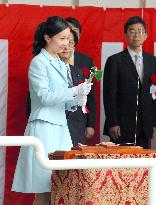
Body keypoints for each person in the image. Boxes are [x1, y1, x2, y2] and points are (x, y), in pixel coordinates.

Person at [12, 16, 92, 205]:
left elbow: (63, 103)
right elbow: (45, 97)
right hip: (44, 128)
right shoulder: (39, 62)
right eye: (62, 38)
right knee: (43, 188)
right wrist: (74, 91)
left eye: (68, 39)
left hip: (61, 128)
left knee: (58, 186)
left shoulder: (61, 63)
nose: (66, 43)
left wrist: (77, 99)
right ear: (48, 38)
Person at [103, 16, 156, 148]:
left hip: (145, 125)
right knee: (121, 165)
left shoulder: (153, 61)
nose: (136, 35)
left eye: (140, 31)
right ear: (126, 35)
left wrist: (153, 122)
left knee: (142, 165)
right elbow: (109, 95)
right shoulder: (114, 61)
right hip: (121, 126)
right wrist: (113, 122)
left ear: (146, 36)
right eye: (132, 31)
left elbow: (154, 94)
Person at [65, 17, 96, 141]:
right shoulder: (51, 58)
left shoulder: (88, 61)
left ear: (79, 35)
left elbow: (91, 95)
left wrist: (90, 124)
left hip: (79, 121)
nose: (71, 33)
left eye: (75, 30)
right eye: (68, 29)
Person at [59, 28, 87, 146]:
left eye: (70, 43)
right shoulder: (45, 68)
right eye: (63, 42)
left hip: (76, 130)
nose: (66, 47)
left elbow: (83, 103)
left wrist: (85, 125)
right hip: (55, 129)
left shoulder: (78, 72)